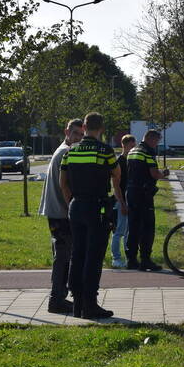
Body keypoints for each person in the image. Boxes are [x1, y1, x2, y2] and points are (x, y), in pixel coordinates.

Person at [60, 112, 126, 319]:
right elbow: (117, 176)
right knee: (93, 258)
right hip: (96, 208)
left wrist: (71, 202)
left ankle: (77, 303)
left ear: (85, 126)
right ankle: (90, 304)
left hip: (75, 207)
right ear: (102, 128)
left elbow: (63, 183)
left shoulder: (71, 151)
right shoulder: (105, 151)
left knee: (77, 255)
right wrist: (120, 201)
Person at [37, 118, 84, 314]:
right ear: (67, 132)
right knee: (63, 257)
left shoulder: (62, 149)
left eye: (81, 135)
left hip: (56, 212)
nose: (78, 138)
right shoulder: (66, 152)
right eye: (75, 134)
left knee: (63, 256)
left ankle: (59, 297)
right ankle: (56, 299)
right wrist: (74, 211)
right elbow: (67, 188)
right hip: (61, 213)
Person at [125, 129, 170, 271]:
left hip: (131, 191)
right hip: (143, 194)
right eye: (157, 141)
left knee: (133, 227)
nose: (157, 145)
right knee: (147, 227)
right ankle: (145, 260)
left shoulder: (133, 151)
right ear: (151, 139)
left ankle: (131, 259)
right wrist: (164, 173)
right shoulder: (148, 152)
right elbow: (154, 173)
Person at [108, 134, 136, 268]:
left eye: (134, 146)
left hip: (129, 200)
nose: (133, 148)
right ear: (124, 145)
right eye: (131, 146)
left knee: (127, 232)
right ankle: (116, 258)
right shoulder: (120, 161)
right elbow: (116, 185)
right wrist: (122, 203)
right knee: (119, 231)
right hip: (121, 200)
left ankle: (128, 256)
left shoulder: (131, 160)